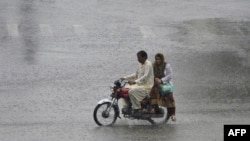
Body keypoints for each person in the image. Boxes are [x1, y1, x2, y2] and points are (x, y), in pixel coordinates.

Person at [121, 50, 154, 115]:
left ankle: (137, 108)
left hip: (147, 86)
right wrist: (124, 78)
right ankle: (127, 107)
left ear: (144, 57)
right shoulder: (140, 64)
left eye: (139, 57)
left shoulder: (148, 64)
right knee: (124, 90)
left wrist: (135, 81)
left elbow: (145, 76)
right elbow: (136, 75)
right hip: (140, 85)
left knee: (131, 91)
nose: (137, 59)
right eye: (137, 57)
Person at [150, 53, 176, 122]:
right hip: (156, 83)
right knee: (153, 91)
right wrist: (155, 79)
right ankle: (154, 108)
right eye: (156, 59)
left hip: (165, 83)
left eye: (159, 59)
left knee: (169, 96)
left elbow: (169, 75)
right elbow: (151, 74)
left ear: (162, 59)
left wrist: (161, 80)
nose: (157, 61)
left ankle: (173, 114)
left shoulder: (166, 65)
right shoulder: (153, 65)